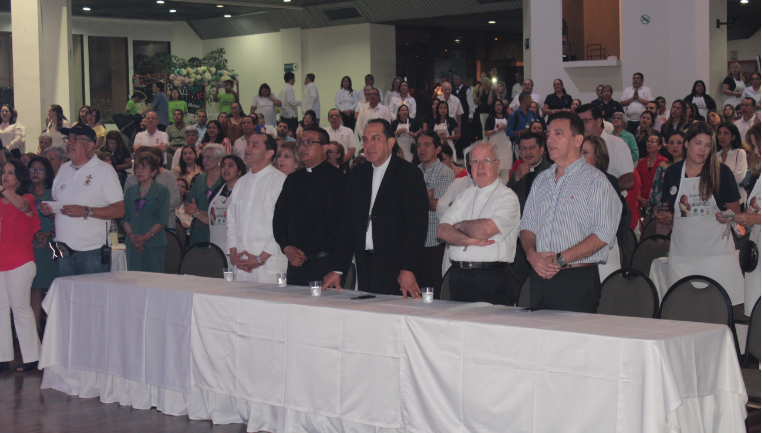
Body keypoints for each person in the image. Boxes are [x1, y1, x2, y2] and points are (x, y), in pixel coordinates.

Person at [519, 112, 621, 313]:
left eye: (558, 134)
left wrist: (560, 259)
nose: (550, 140)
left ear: (578, 140)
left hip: (576, 278)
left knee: (574, 342)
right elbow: (527, 226)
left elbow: (603, 234)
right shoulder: (541, 180)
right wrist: (531, 255)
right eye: (548, 134)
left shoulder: (596, 181)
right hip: (539, 276)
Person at [322, 119, 428, 297]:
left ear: (390, 142)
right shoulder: (358, 175)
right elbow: (348, 224)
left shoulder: (409, 174)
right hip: (365, 263)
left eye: (375, 139)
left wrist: (408, 268)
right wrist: (338, 269)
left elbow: (417, 226)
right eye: (364, 139)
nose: (368, 145)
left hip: (398, 267)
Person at [660, 122, 744, 304]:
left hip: (716, 256)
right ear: (687, 143)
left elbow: (735, 212)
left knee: (717, 309)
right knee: (682, 307)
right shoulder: (673, 173)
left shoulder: (722, 172)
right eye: (698, 143)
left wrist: (725, 217)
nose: (703, 150)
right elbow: (673, 209)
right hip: (682, 255)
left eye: (707, 145)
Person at [437, 141, 520, 304]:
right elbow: (442, 231)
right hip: (458, 277)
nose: (480, 166)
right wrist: (471, 240)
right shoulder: (464, 195)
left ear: (498, 164)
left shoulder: (508, 197)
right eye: (475, 161)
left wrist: (459, 226)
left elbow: (486, 229)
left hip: (491, 279)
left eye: (486, 160)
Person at [39, 124, 125, 276]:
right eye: (68, 138)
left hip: (92, 250)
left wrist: (86, 211)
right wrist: (50, 210)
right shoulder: (63, 169)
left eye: (76, 139)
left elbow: (119, 210)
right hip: (63, 248)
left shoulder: (104, 170)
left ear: (90, 145)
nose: (69, 143)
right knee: (69, 297)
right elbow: (57, 201)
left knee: (93, 297)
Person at [273, 127, 346, 285]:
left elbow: (332, 222)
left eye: (310, 143)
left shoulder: (337, 179)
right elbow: (279, 217)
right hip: (294, 262)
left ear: (325, 148)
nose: (303, 147)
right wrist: (286, 247)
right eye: (300, 143)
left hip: (322, 263)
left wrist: (304, 251)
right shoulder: (293, 179)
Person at [227, 133, 287, 282]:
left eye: (255, 145)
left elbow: (283, 224)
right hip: (241, 263)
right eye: (248, 144)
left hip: (270, 265)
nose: (248, 148)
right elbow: (232, 221)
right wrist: (233, 254)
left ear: (269, 153)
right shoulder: (241, 182)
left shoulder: (280, 181)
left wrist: (261, 258)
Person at [0, 159, 41, 373]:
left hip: (20, 261)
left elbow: (22, 207)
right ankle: (2, 357)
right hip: (1, 261)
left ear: (19, 178)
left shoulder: (27, 198)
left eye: (10, 173)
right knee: (0, 310)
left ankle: (32, 357)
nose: (6, 176)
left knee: (20, 307)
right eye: (3, 172)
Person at [579, 135, 627, 280]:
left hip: (603, 251)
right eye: (579, 152)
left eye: (585, 153)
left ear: (598, 156)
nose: (580, 157)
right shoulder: (570, 182)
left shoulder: (608, 181)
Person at [414, 131, 454, 295]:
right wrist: (427, 194)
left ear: (438, 149)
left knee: (434, 290)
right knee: (415, 290)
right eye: (418, 145)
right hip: (414, 240)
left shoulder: (445, 173)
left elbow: (438, 206)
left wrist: (416, 198)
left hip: (434, 241)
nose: (421, 149)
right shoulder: (413, 172)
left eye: (427, 145)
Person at [727, 123, 760, 315]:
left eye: (758, 145)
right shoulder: (759, 176)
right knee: (756, 311)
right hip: (756, 248)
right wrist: (738, 217)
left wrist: (755, 217)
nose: (755, 151)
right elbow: (752, 208)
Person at [122, 152, 169, 273]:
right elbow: (125, 218)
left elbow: (162, 220)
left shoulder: (162, 191)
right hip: (133, 245)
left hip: (154, 244)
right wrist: (132, 237)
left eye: (144, 167)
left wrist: (144, 238)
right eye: (137, 167)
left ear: (153, 171)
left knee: (154, 283)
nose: (139, 171)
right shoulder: (130, 191)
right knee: (133, 282)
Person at [576, 104, 635, 193]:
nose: (581, 126)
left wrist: (599, 190)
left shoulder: (617, 144)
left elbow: (629, 181)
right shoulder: (576, 145)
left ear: (599, 121)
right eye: (579, 122)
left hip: (611, 201)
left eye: (586, 121)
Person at [202, 155, 245, 267]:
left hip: (235, 248)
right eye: (223, 166)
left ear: (240, 171)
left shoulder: (244, 192)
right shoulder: (217, 190)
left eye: (230, 166)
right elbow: (211, 219)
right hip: (215, 245)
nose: (225, 169)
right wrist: (195, 212)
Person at [124, 146, 181, 231]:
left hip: (165, 226)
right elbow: (128, 204)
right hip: (137, 226)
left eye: (144, 165)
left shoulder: (167, 176)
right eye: (138, 165)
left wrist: (153, 209)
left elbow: (175, 200)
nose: (140, 170)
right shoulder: (131, 180)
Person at [184, 144, 224, 247]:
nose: (204, 161)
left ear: (219, 159)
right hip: (199, 231)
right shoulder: (199, 179)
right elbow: (189, 204)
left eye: (208, 157)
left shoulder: (226, 181)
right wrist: (198, 213)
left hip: (219, 231)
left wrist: (203, 214)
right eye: (203, 157)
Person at [650, 131, 686, 232]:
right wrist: (656, 212)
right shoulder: (662, 166)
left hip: (683, 214)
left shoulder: (690, 168)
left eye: (679, 143)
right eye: (671, 143)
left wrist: (675, 216)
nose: (675, 146)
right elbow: (655, 191)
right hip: (662, 214)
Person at [507, 132, 551, 212]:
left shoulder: (553, 172)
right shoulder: (517, 173)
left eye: (532, 147)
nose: (527, 152)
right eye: (524, 148)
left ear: (541, 150)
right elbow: (505, 199)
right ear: (519, 152)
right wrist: (516, 179)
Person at [635, 131, 667, 211]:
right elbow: (638, 182)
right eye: (648, 141)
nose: (649, 144)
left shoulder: (664, 162)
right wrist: (639, 197)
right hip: (642, 201)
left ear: (659, 146)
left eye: (653, 142)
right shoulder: (641, 162)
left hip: (658, 203)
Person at [717, 122, 748, 204]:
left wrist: (719, 180)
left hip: (737, 199)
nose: (722, 136)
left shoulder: (739, 153)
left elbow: (739, 177)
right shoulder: (715, 155)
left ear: (733, 137)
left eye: (726, 133)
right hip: (720, 199)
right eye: (719, 133)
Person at [485, 99, 514, 183]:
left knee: (505, 172)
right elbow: (486, 133)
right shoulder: (490, 118)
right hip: (495, 147)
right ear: (493, 107)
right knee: (495, 171)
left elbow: (512, 131)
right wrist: (497, 130)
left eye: (500, 105)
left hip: (505, 147)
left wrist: (506, 129)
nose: (498, 107)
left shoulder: (508, 117)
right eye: (496, 105)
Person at [452, 74, 475, 151]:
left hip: (465, 116)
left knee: (465, 134)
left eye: (457, 78)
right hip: (455, 116)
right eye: (454, 79)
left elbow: (471, 103)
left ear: (461, 80)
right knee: (456, 134)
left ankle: (467, 152)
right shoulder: (452, 90)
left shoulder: (466, 89)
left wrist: (471, 115)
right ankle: (458, 152)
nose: (456, 80)